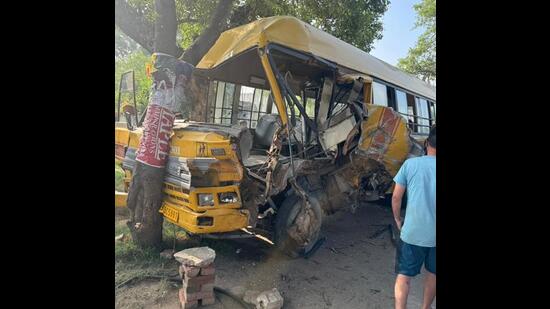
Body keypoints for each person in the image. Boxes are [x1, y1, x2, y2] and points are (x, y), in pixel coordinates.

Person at [392, 125, 436, 309]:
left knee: (404, 276)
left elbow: (396, 197)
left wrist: (398, 219)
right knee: (433, 275)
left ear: (426, 143)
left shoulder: (410, 165)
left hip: (412, 233)